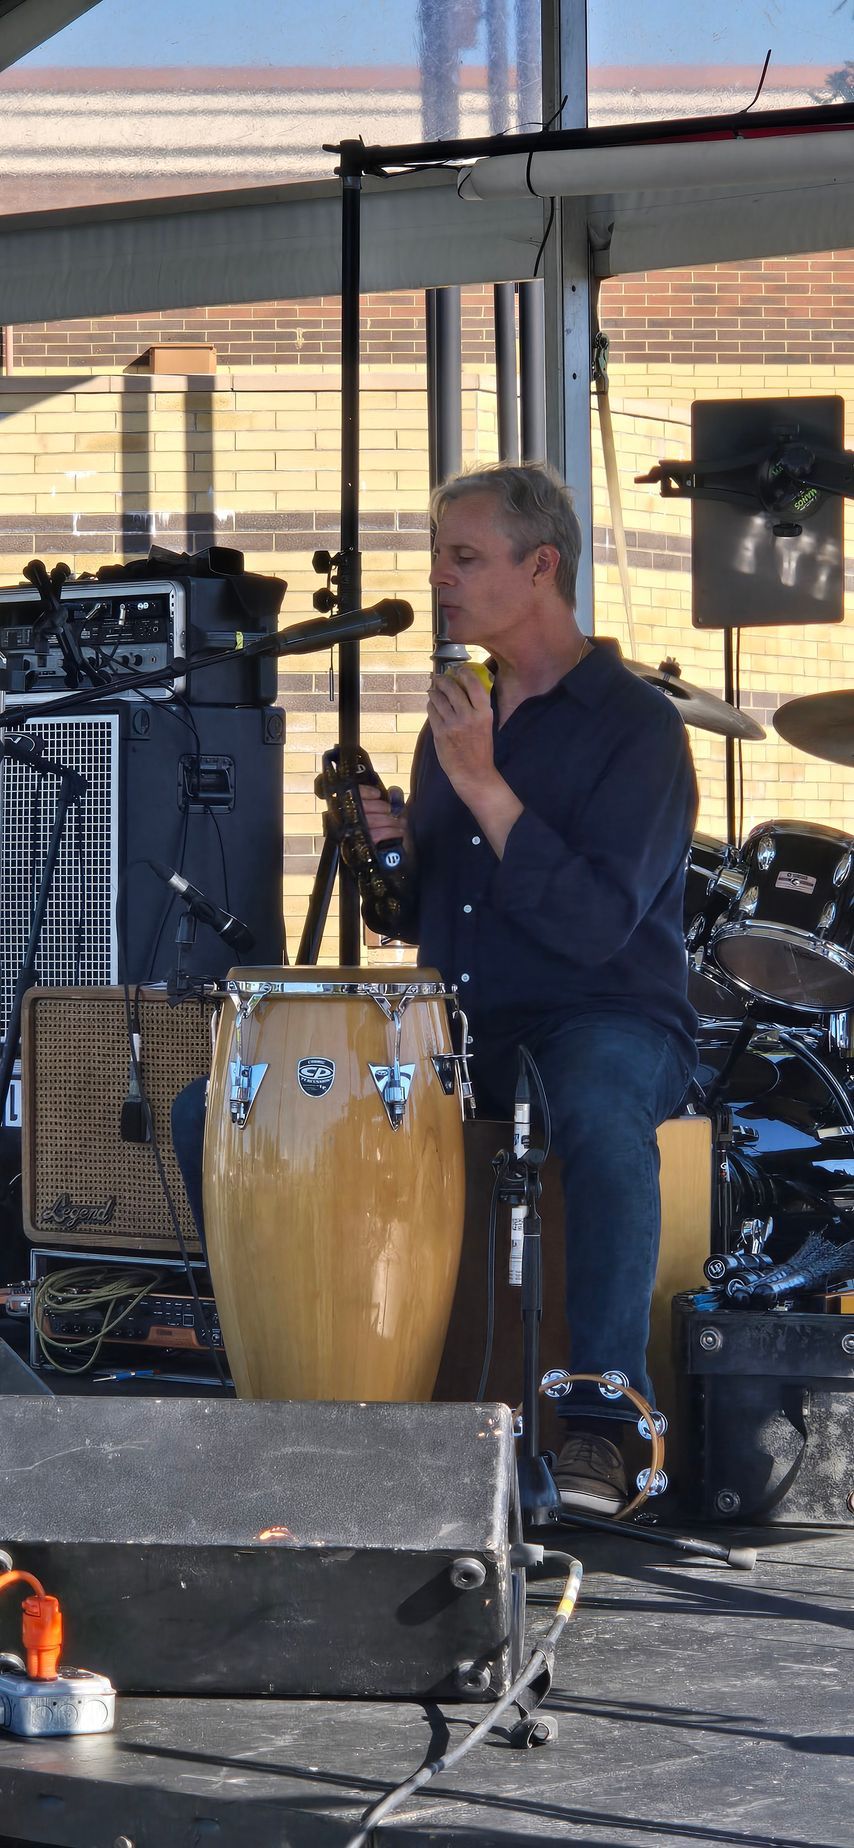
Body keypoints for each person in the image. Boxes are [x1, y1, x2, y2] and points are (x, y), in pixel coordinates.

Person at [359, 461, 698, 1515]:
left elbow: (594, 927)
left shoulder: (636, 726)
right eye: (439, 557)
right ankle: (324, 1404)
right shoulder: (460, 712)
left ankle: (605, 1427)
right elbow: (428, 915)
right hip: (464, 1021)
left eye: (464, 557)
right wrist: (390, 857)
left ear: (541, 566)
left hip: (604, 1015)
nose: (440, 578)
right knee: (225, 1109)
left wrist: (480, 782)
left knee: (597, 1114)